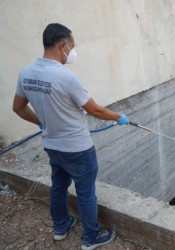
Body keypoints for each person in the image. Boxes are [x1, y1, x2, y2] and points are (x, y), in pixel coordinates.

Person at [12, 23, 129, 250]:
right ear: (63, 45)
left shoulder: (26, 72)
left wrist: (41, 122)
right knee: (86, 193)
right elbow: (95, 110)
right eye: (72, 46)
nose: (73, 52)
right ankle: (91, 238)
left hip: (52, 145)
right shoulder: (66, 77)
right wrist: (119, 116)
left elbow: (17, 107)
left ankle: (60, 227)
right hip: (78, 149)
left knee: (58, 187)